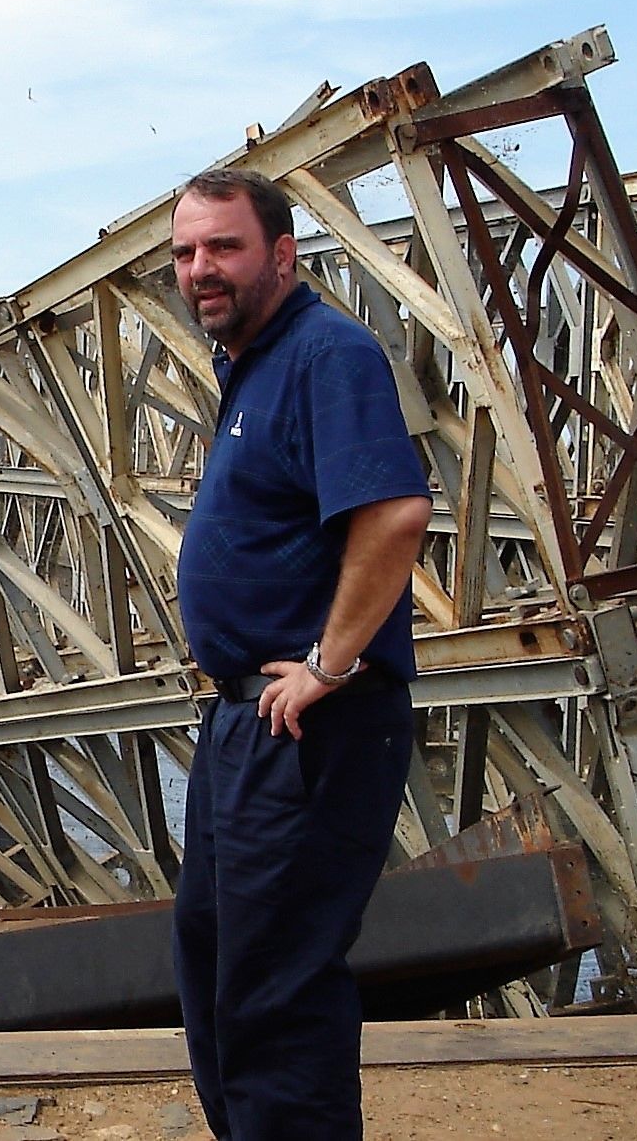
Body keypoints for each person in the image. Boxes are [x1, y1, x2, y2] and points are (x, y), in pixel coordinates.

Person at [169, 168, 433, 1139]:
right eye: (188, 250)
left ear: (282, 253)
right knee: (215, 963)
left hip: (309, 725)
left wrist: (329, 660)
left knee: (276, 994)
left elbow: (397, 512)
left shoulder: (328, 354)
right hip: (247, 721)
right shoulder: (256, 360)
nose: (202, 268)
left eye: (225, 247)